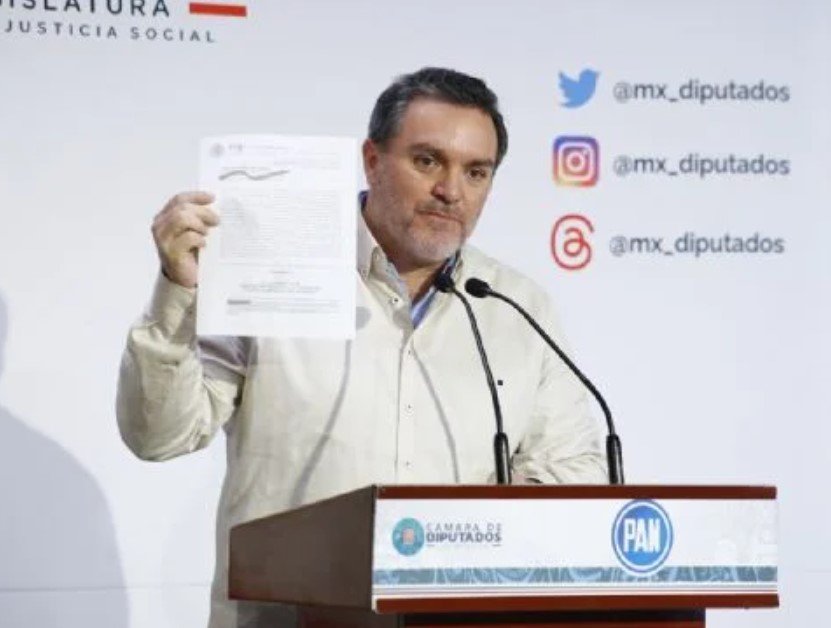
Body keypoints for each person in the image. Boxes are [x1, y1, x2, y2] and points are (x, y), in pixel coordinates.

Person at [117, 67, 606, 628]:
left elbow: (576, 468)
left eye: (476, 172)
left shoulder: (514, 305)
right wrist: (178, 291)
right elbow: (158, 436)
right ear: (372, 160)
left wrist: (480, 533)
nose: (451, 191)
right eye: (428, 161)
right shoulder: (271, 273)